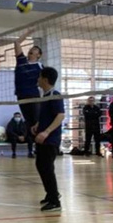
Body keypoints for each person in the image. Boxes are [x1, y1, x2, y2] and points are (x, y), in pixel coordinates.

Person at [32, 67, 65, 212]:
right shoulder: (45, 95)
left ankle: (55, 201)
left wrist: (46, 132)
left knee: (46, 168)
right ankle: (51, 194)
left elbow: (60, 115)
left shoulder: (54, 95)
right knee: (41, 165)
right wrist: (38, 125)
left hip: (51, 140)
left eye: (39, 77)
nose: (38, 79)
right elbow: (48, 115)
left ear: (45, 80)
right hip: (44, 139)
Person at [14, 28, 43, 146]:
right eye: (31, 49)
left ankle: (42, 145)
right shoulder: (21, 61)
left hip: (33, 96)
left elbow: (44, 82)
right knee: (29, 123)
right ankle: (33, 148)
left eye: (35, 49)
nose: (31, 50)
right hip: (21, 95)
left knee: (36, 122)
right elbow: (17, 43)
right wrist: (28, 33)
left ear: (38, 55)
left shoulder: (40, 66)